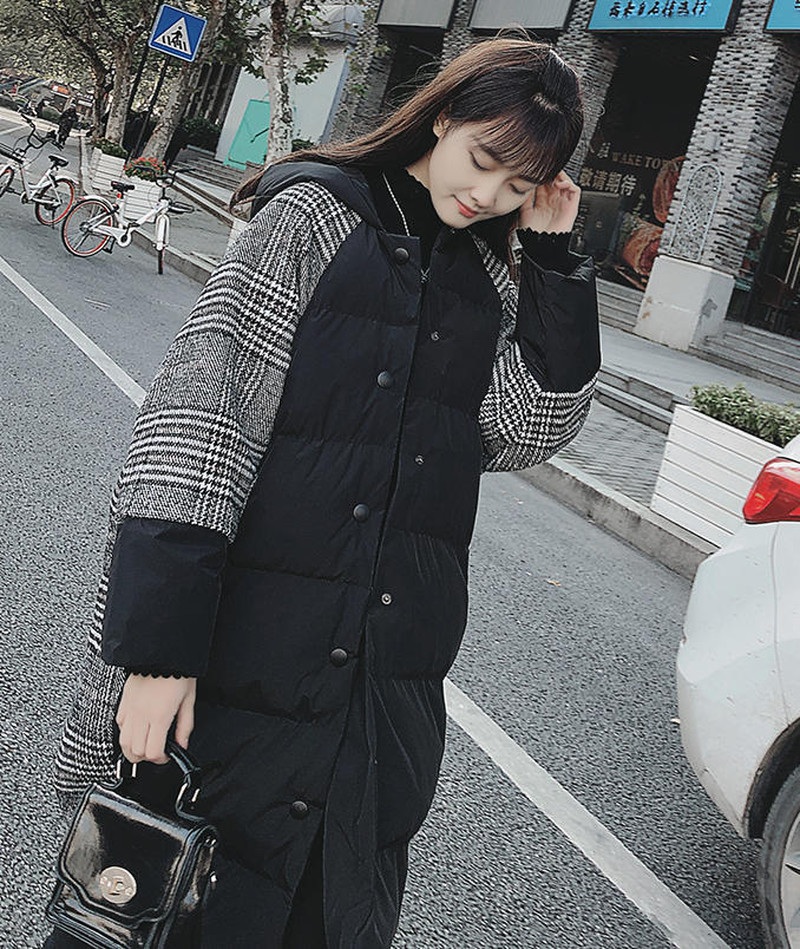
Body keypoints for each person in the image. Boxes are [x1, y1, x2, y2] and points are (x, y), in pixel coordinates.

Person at [47, 36, 600, 948]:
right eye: (482, 160)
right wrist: (157, 653)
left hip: (376, 696)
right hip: (234, 664)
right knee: (159, 908)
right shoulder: (315, 217)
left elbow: (522, 428)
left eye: (518, 185)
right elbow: (201, 421)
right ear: (443, 116)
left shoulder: (486, 275)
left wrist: (551, 264)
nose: (488, 195)